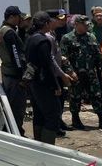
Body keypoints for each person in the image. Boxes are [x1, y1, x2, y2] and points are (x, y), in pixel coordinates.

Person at [61, 15, 102, 133]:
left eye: (87, 24)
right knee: (75, 97)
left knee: (97, 96)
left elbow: (99, 55)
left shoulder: (91, 37)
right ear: (76, 24)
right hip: (76, 74)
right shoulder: (67, 38)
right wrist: (70, 72)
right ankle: (75, 120)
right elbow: (64, 58)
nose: (87, 26)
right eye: (84, 25)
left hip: (91, 73)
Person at [25, 11, 61, 145]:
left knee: (39, 113)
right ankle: (48, 147)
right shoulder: (42, 40)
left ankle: (38, 144)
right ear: (46, 24)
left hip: (33, 83)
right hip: (43, 83)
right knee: (53, 115)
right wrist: (55, 86)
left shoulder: (30, 38)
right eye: (50, 22)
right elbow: (47, 65)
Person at [45, 10, 75, 136]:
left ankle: (59, 121)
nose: (62, 21)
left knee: (60, 100)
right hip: (53, 73)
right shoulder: (46, 35)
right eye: (59, 19)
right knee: (54, 101)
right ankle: (54, 126)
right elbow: (50, 58)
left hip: (57, 71)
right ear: (51, 20)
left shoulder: (53, 32)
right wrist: (62, 74)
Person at [0, 6, 27, 135]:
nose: (19, 20)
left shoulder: (4, 29)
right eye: (18, 17)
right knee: (17, 107)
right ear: (11, 17)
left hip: (8, 73)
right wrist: (22, 76)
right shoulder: (9, 32)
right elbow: (16, 55)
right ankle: (16, 132)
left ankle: (13, 130)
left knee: (12, 105)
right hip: (14, 75)